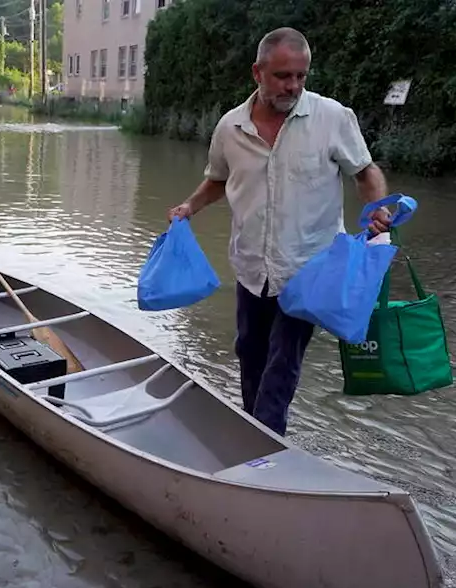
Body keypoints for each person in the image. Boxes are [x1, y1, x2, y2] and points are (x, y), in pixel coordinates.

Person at [167, 27, 393, 437]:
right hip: (252, 266)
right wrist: (189, 206)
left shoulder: (332, 118)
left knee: (282, 364)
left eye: (301, 76)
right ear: (258, 72)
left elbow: (365, 171)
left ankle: (263, 448)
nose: (293, 86)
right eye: (283, 76)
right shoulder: (230, 128)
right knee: (249, 354)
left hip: (309, 269)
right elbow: (218, 179)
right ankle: (255, 433)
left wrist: (378, 209)